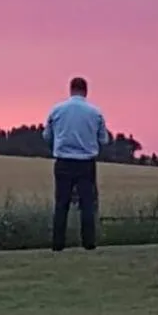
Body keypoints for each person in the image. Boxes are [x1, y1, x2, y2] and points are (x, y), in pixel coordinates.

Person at [43, 76, 111, 252]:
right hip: (86, 163)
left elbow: (47, 136)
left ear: (70, 89)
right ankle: (89, 242)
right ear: (86, 91)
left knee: (61, 203)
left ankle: (58, 244)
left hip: (63, 161)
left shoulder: (57, 110)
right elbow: (103, 139)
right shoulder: (95, 112)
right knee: (87, 204)